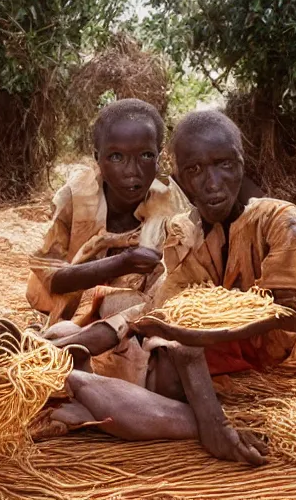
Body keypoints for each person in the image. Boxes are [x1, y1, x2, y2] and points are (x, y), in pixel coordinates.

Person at [43, 110, 296, 465]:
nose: (212, 183)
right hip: (207, 351)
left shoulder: (279, 220)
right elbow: (167, 312)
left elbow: (293, 315)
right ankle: (73, 373)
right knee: (89, 342)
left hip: (264, 350)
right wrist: (68, 343)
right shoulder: (183, 229)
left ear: (241, 163)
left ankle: (103, 397)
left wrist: (201, 330)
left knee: (167, 372)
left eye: (224, 164)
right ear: (180, 178)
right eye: (195, 170)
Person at [28, 98, 189, 381]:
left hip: (141, 311)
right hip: (72, 306)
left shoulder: (173, 205)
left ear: (159, 155)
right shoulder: (75, 197)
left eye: (146, 156)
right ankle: (72, 346)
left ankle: (75, 350)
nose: (132, 170)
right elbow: (50, 279)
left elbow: (182, 286)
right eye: (116, 157)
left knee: (130, 309)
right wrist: (121, 263)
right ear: (97, 158)